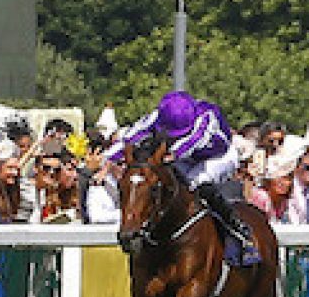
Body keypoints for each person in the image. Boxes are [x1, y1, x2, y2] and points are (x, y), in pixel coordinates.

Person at [107, 91, 259, 263]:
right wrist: (108, 159)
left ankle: (240, 231)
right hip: (185, 158)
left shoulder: (207, 116)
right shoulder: (156, 116)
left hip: (218, 156)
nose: (174, 135)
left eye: (177, 132)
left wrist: (172, 153)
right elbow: (129, 138)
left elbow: (193, 141)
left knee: (197, 183)